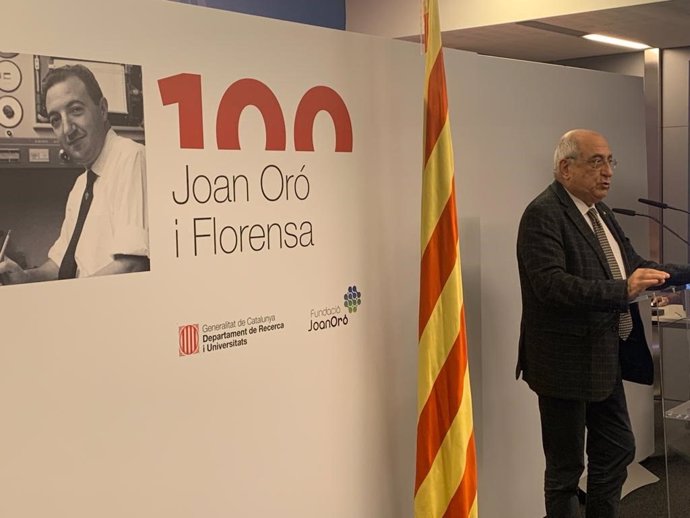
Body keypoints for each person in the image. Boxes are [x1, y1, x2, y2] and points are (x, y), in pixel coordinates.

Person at [515, 129, 690, 518]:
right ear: (565, 167)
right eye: (597, 162)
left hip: (603, 356)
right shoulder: (543, 214)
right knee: (565, 469)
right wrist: (622, 291)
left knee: (616, 449)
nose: (608, 172)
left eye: (611, 161)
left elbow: (636, 267)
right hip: (562, 362)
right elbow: (551, 286)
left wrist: (684, 274)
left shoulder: (601, 213)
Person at [0, 64, 148, 283]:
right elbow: (60, 265)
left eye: (76, 110)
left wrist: (68, 302)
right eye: (55, 120)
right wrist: (24, 277)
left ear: (103, 109)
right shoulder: (81, 185)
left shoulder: (131, 157)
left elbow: (133, 266)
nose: (67, 129)